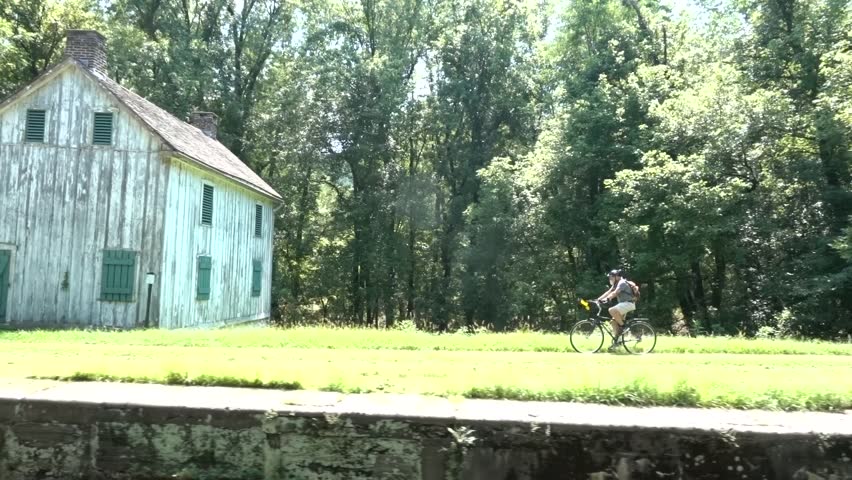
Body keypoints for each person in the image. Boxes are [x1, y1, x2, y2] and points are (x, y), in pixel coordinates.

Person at [596, 269, 635, 348]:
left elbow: (615, 292)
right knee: (613, 322)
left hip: (628, 303)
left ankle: (624, 327)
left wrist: (608, 299)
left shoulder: (622, 283)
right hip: (624, 304)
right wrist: (597, 300)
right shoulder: (616, 284)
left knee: (611, 310)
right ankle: (618, 342)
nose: (610, 279)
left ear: (617, 277)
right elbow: (608, 292)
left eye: (611, 277)